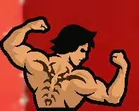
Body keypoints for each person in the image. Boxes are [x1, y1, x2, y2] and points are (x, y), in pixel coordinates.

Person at [2, 17, 130, 107]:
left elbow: (10, 45)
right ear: (71, 45)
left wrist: (28, 27)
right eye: (82, 50)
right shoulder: (80, 79)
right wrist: (123, 67)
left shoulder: (37, 62)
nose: (85, 56)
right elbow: (112, 98)